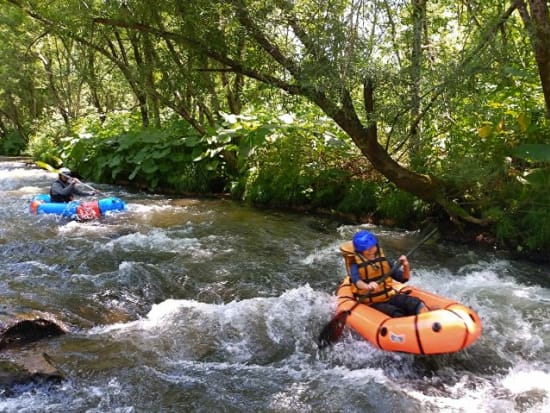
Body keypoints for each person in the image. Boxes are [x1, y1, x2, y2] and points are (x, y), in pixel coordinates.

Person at [340, 230, 426, 317]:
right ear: (360, 251)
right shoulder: (355, 265)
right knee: (395, 313)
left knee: (416, 303)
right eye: (367, 249)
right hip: (372, 302)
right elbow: (357, 282)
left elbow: (404, 278)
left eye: (373, 247)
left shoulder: (384, 261)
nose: (371, 251)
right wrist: (367, 286)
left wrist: (406, 266)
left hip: (389, 296)